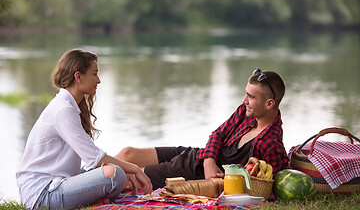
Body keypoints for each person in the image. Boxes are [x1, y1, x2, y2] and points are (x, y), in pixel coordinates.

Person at [16, 49, 152, 210]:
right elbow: (94, 157)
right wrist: (134, 168)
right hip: (43, 194)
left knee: (111, 172)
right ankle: (90, 198)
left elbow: (91, 162)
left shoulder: (69, 106)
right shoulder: (63, 110)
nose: (99, 80)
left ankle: (91, 199)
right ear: (78, 77)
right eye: (94, 74)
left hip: (58, 181)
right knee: (115, 174)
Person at [116, 67, 289, 189]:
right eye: (246, 94)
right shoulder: (246, 113)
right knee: (127, 153)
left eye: (250, 97)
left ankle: (89, 186)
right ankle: (88, 176)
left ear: (269, 103)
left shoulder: (270, 144)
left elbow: (267, 184)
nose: (244, 101)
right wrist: (209, 162)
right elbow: (218, 134)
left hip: (191, 173)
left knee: (130, 176)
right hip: (198, 155)